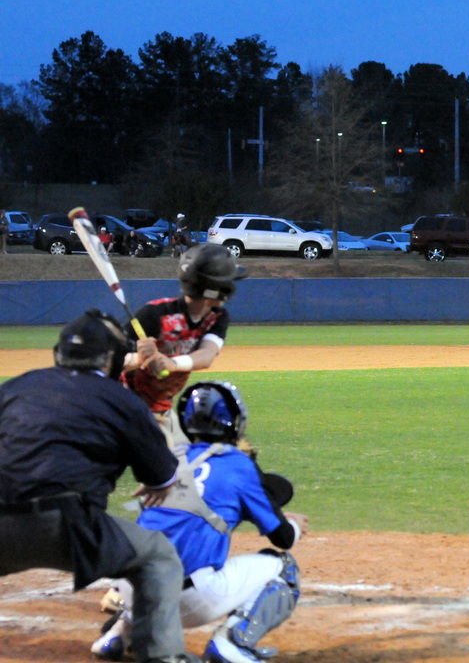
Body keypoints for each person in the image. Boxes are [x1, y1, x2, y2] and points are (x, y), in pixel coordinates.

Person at [0, 310, 197, 663]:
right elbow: (162, 478)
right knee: (158, 556)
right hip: (67, 525)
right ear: (112, 358)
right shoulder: (120, 400)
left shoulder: (15, 387)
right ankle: (163, 656)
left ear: (58, 353)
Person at [91, 381, 308, 663]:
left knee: (155, 552)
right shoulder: (238, 464)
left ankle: (118, 635)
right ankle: (232, 645)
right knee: (283, 569)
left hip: (128, 591)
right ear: (234, 422)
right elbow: (284, 538)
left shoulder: (170, 458)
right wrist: (295, 525)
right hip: (188, 601)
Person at [122, 243, 247, 446]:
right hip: (124, 406)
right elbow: (109, 360)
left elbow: (206, 356)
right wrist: (139, 359)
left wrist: (171, 363)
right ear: (215, 288)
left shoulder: (217, 317)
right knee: (169, 469)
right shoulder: (155, 314)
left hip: (160, 408)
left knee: (184, 463)